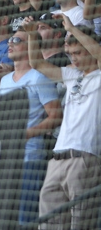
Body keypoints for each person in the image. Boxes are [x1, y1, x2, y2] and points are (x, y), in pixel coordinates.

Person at [24, 15, 101, 229]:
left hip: (85, 157)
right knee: (49, 224)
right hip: (57, 158)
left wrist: (72, 29)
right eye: (70, 54)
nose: (73, 59)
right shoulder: (71, 74)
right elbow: (37, 63)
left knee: (80, 225)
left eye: (78, 53)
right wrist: (31, 34)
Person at [0, 29, 62, 224]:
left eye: (16, 40)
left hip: (31, 158)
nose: (10, 42)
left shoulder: (38, 77)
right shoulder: (4, 80)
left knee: (25, 218)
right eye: (10, 39)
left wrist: (25, 135)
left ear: (30, 46)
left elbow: (56, 116)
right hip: (7, 159)